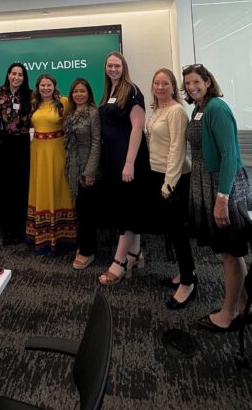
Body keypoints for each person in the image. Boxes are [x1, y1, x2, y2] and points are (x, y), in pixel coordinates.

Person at [182, 63, 252, 331]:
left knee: (230, 253)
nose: (192, 87)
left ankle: (230, 313)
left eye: (196, 82)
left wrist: (222, 198)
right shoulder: (199, 108)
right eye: (187, 83)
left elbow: (229, 155)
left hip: (224, 185)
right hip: (207, 181)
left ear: (208, 82)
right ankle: (246, 305)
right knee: (230, 251)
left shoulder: (217, 108)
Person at [98, 51, 150, 285]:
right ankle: (135, 254)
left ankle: (119, 262)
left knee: (125, 209)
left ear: (124, 67)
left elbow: (138, 128)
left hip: (129, 158)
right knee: (128, 206)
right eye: (110, 65)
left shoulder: (132, 90)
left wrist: (129, 163)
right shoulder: (109, 90)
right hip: (113, 157)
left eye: (117, 65)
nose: (113, 69)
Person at [146, 68, 196, 309]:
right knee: (173, 231)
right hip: (159, 173)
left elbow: (178, 149)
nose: (160, 87)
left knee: (179, 232)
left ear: (173, 86)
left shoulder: (176, 111)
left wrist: (169, 183)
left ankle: (188, 283)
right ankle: (185, 272)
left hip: (175, 177)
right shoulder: (158, 109)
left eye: (165, 83)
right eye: (157, 83)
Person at [26, 74, 77, 255]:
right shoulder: (34, 103)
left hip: (57, 151)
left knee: (59, 187)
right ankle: (42, 235)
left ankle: (63, 236)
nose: (46, 88)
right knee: (41, 188)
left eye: (49, 85)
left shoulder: (64, 102)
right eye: (42, 85)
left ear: (54, 86)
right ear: (38, 87)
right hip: (38, 152)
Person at [64, 78, 101, 269]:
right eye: (75, 91)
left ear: (89, 93)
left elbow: (96, 143)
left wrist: (90, 171)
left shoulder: (93, 113)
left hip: (87, 166)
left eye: (82, 91)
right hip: (73, 166)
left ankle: (88, 251)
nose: (79, 94)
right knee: (80, 208)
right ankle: (84, 244)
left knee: (87, 212)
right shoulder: (70, 113)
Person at [0, 62, 32, 245]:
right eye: (14, 73)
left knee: (21, 186)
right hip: (3, 144)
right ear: (8, 75)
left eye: (20, 74)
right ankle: (7, 229)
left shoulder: (30, 95)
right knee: (5, 187)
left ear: (24, 78)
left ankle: (20, 228)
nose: (17, 77)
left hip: (22, 144)